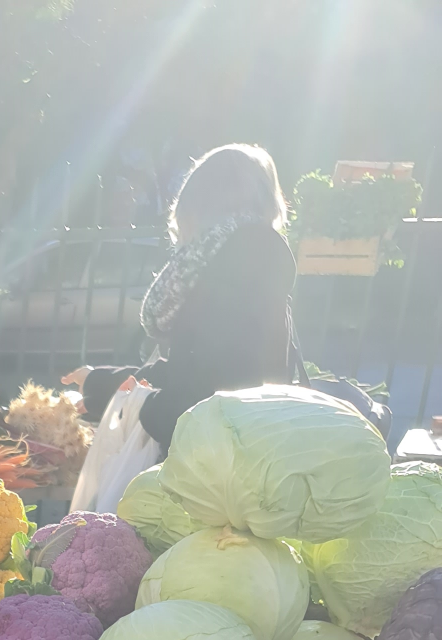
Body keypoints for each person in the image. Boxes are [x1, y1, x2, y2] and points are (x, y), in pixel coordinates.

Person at [64, 143, 297, 452]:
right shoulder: (246, 266)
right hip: (233, 458)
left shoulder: (233, 278)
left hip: (214, 465)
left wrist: (133, 405)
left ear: (197, 208)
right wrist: (101, 384)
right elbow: (191, 370)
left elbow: (192, 407)